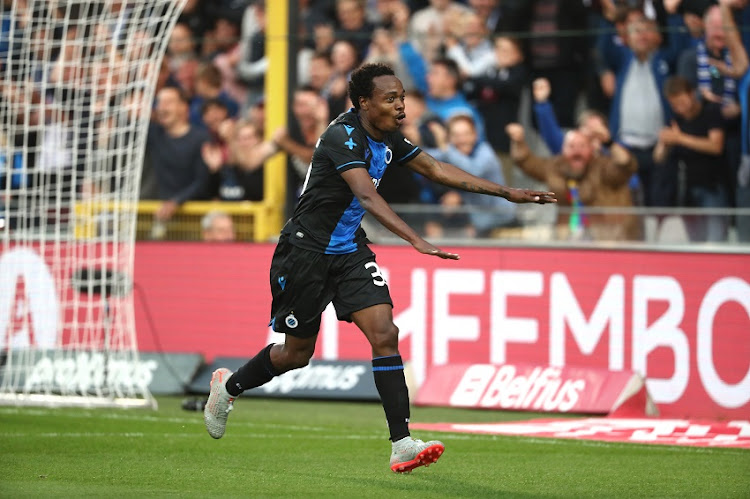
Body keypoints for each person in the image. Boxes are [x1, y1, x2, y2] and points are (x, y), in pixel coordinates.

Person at [203, 63, 556, 473]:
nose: (401, 105)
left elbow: (437, 168)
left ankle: (402, 443)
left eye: (402, 97)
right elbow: (367, 197)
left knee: (386, 332)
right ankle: (227, 388)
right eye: (391, 99)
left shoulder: (386, 134)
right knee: (296, 354)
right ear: (364, 103)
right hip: (305, 252)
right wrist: (414, 238)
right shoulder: (341, 135)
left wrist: (506, 192)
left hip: (349, 249)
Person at [507, 122, 639, 241]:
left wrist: (608, 142)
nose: (577, 151)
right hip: (567, 240)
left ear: (591, 150)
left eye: (582, 146)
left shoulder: (603, 167)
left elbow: (626, 165)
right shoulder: (555, 167)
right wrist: (518, 141)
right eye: (571, 146)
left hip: (607, 240)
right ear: (563, 149)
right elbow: (526, 162)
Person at [654, 75, 729, 242]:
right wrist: (665, 143)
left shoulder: (710, 112)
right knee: (695, 243)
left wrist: (680, 138)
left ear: (692, 94)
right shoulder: (675, 120)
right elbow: (658, 157)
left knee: (716, 240)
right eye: (674, 105)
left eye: (682, 102)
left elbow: (715, 146)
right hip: (687, 190)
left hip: (712, 186)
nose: (680, 108)